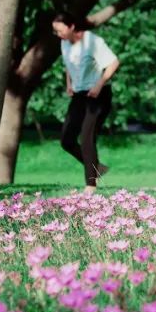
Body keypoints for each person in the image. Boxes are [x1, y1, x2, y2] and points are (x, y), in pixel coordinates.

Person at [52, 13, 120, 194]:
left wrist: (99, 84)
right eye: (55, 31)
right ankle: (96, 166)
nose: (58, 34)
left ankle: (90, 185)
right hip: (80, 94)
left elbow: (113, 63)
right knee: (66, 139)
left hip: (98, 94)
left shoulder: (92, 41)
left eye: (60, 30)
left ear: (72, 26)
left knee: (86, 136)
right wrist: (69, 83)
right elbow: (68, 64)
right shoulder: (64, 43)